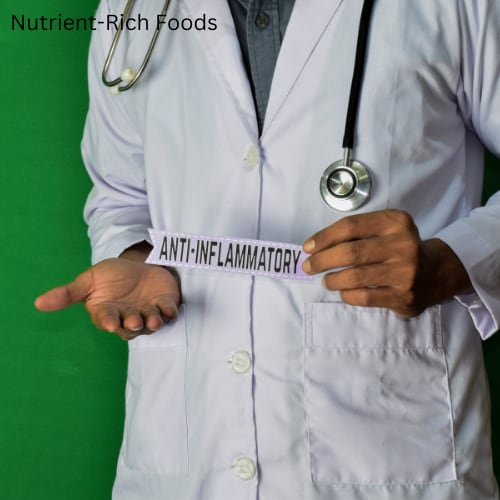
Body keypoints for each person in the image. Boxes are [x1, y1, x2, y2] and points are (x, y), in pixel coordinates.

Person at [35, 0, 500, 499]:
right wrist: (133, 257)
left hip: (390, 459)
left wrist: (451, 263)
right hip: (189, 463)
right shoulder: (133, 10)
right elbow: (119, 194)